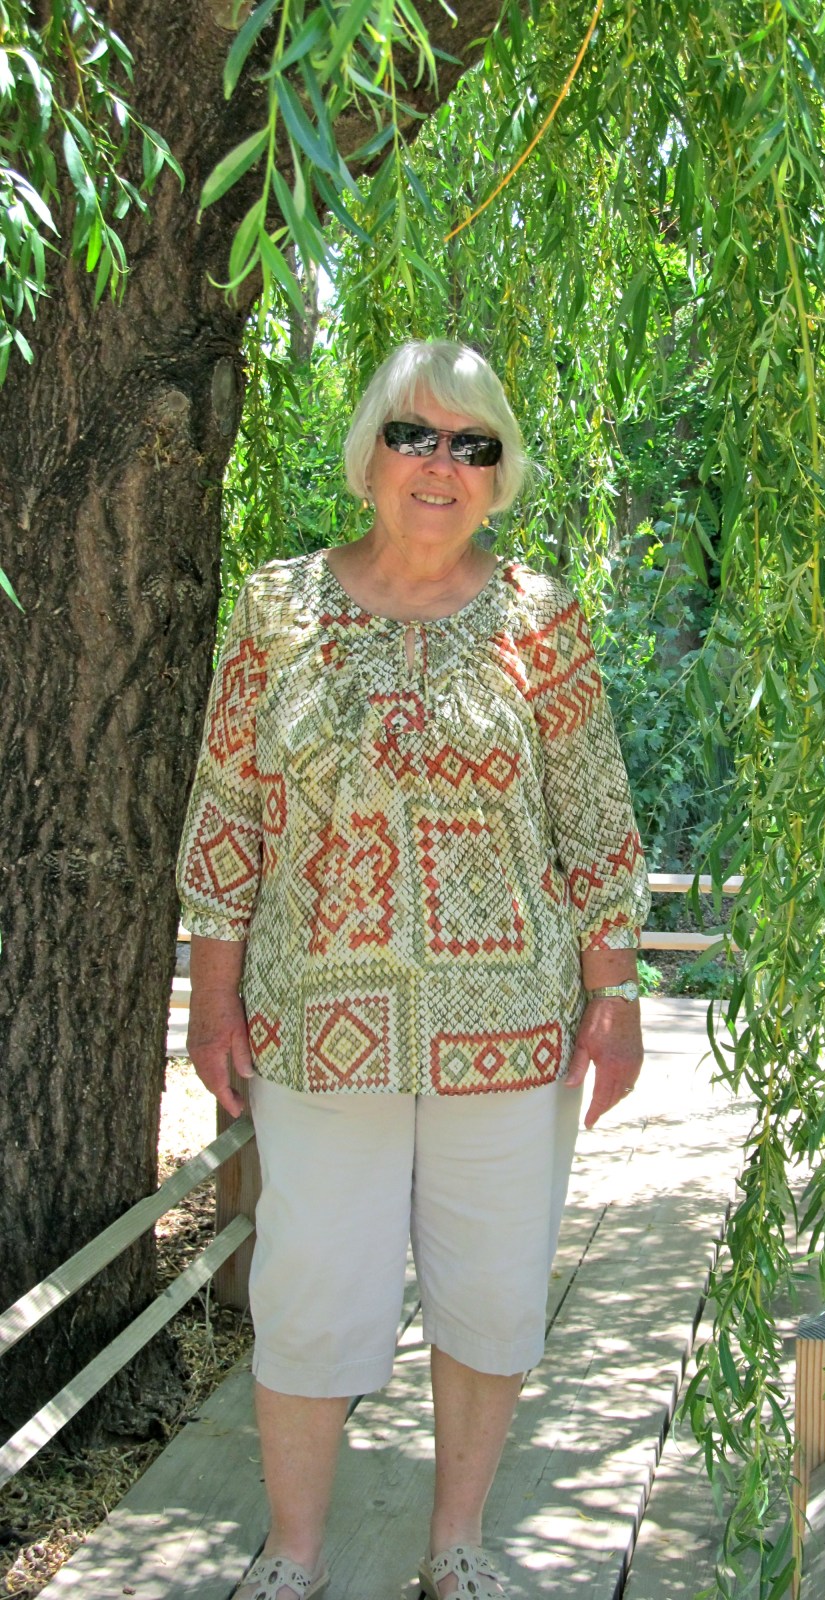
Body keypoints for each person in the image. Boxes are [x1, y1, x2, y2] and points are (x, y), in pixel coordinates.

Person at [176, 339, 651, 1600]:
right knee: (309, 1287)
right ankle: (293, 1556)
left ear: (500, 476)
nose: (440, 464)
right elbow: (227, 812)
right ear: (370, 452)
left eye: (472, 444)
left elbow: (595, 817)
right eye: (414, 434)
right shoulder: (276, 609)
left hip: (511, 1029)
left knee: (491, 1290)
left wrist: (617, 996)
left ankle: (456, 1547)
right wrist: (210, 999)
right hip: (317, 1020)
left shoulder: (543, 618)